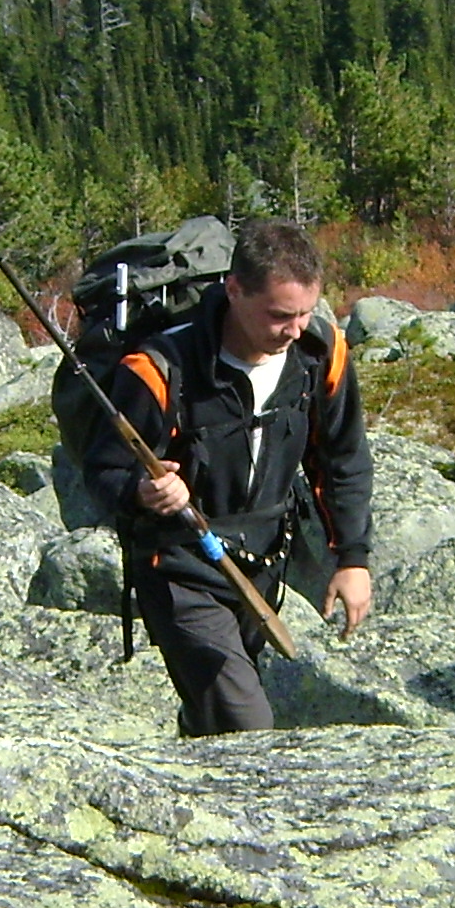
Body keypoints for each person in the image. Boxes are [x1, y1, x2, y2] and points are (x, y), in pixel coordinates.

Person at [78, 218, 375, 735]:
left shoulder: (319, 353)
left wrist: (352, 558)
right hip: (179, 568)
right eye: (280, 316)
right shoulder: (159, 367)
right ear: (234, 290)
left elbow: (343, 457)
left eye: (306, 312)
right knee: (249, 726)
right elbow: (102, 468)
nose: (296, 329)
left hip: (263, 566)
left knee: (216, 714)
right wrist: (143, 490)